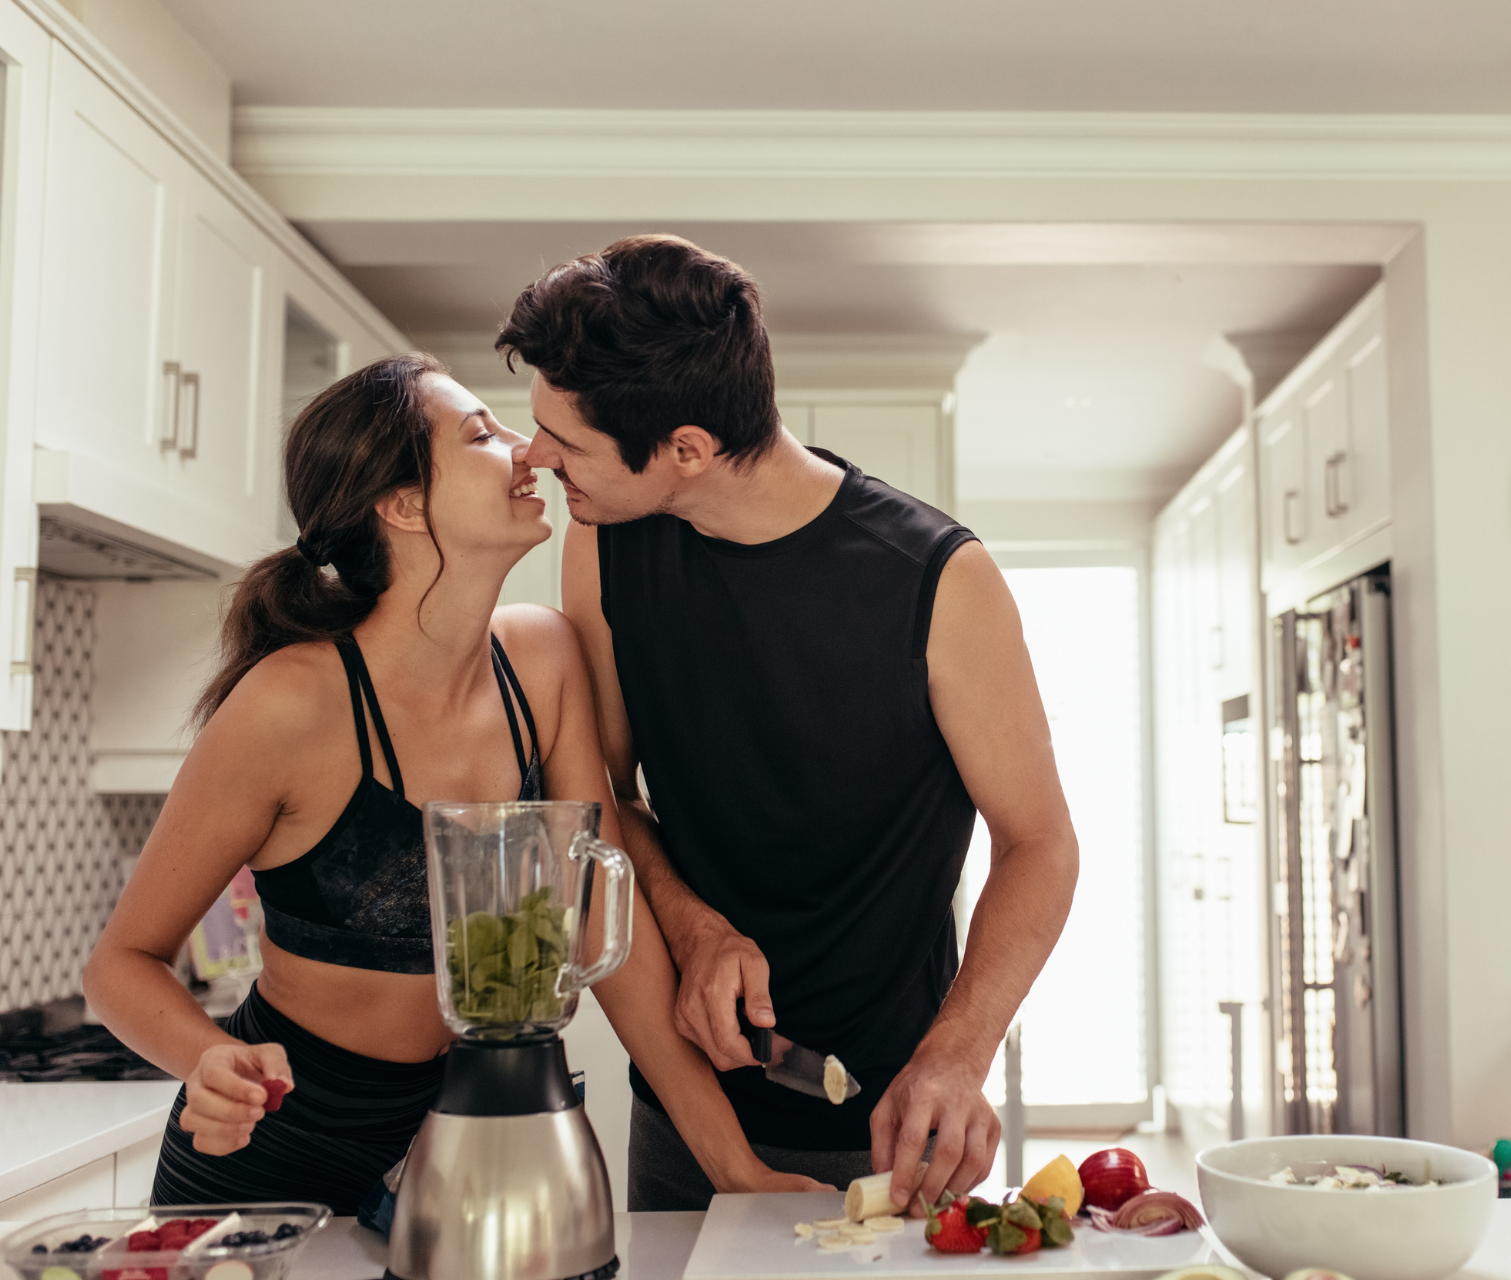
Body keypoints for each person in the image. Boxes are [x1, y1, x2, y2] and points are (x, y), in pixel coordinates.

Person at [83, 353, 824, 1215]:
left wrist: (734, 1169)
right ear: (400, 505)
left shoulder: (543, 661)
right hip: (274, 1160)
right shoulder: (289, 705)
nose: (529, 451)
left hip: (476, 1150)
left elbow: (601, 922)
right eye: (483, 433)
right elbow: (120, 965)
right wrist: (207, 1057)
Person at [496, 235, 1080, 1213]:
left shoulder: (937, 578)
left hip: (898, 1123)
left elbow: (1041, 840)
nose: (535, 456)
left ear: (686, 448)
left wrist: (957, 1054)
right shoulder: (607, 542)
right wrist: (697, 924)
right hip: (688, 1114)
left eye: (568, 441)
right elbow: (602, 800)